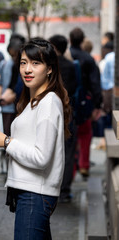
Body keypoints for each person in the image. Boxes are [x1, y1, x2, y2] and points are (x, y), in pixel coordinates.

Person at [0, 38, 71, 239]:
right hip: (30, 193)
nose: (27, 69)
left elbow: (41, 158)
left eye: (35, 63)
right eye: (23, 63)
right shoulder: (35, 101)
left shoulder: (48, 103)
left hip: (35, 195)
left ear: (49, 69)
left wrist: (6, 142)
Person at [69, 27, 102, 179]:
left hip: (67, 103)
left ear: (70, 39)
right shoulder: (88, 59)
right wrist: (97, 104)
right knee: (85, 134)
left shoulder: (65, 56)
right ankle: (84, 165)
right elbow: (95, 83)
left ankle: (72, 167)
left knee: (70, 136)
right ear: (82, 40)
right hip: (84, 102)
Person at [49, 34, 77, 202]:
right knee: (67, 152)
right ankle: (64, 190)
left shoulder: (51, 66)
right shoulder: (71, 66)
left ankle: (52, 186)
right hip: (68, 112)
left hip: (51, 111)